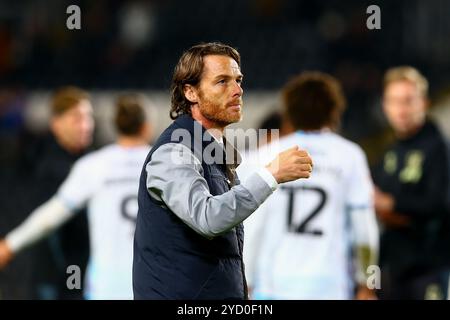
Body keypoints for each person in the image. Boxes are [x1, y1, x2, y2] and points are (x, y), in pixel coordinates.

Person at [132, 42, 313, 300]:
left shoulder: (214, 152)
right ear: (190, 91)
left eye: (238, 80)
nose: (237, 90)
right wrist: (271, 174)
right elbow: (208, 218)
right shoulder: (174, 152)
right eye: (222, 82)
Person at [239, 72, 379, 300]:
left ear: (289, 112)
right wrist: (368, 284)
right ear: (335, 110)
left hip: (273, 285)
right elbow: (364, 228)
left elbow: (253, 227)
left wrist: (245, 281)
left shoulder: (264, 156)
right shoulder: (350, 156)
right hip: (329, 286)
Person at [0, 94, 152, 299]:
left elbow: (50, 216)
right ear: (147, 127)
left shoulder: (94, 165)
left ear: (115, 126)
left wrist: (10, 245)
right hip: (152, 284)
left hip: (105, 286)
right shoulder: (164, 164)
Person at [8, 86, 94, 300]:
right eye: (77, 118)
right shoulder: (52, 168)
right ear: (56, 124)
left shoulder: (83, 162)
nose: (85, 126)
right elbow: (53, 233)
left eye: (88, 118)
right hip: (60, 274)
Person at [372, 66, 450, 300]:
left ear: (424, 103)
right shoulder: (390, 152)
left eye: (408, 101)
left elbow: (440, 204)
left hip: (428, 266)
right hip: (393, 268)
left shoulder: (438, 148)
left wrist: (391, 204)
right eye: (394, 101)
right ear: (384, 106)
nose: (401, 110)